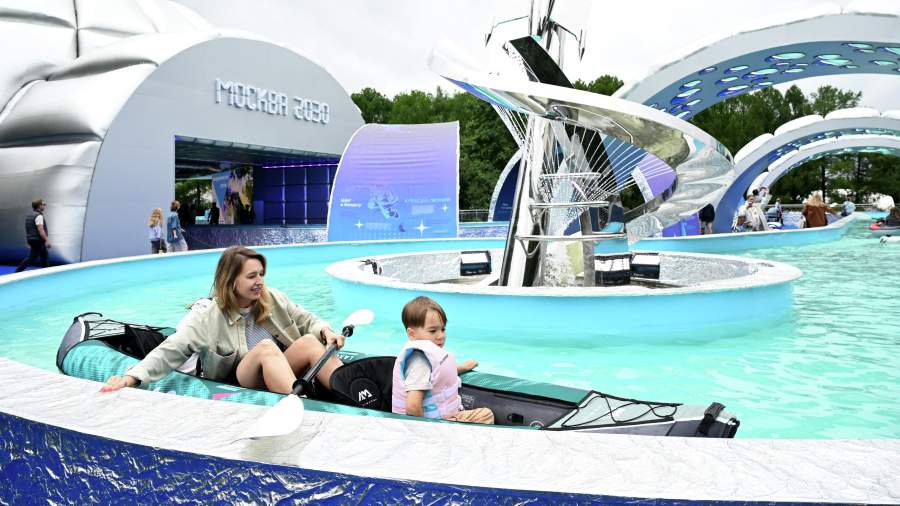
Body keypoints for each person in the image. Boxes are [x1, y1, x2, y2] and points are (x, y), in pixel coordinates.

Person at [101, 246, 346, 394]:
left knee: (310, 341)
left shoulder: (272, 298)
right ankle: (302, 404)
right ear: (231, 281)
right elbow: (173, 348)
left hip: (279, 368)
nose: (259, 281)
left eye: (261, 274)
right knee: (266, 348)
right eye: (251, 276)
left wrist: (326, 331)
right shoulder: (208, 316)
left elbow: (305, 319)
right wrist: (132, 377)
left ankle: (351, 393)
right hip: (242, 378)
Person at [391, 296, 494, 424]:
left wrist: (463, 367)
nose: (441, 336)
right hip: (434, 425)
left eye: (443, 329)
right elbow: (412, 407)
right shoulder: (419, 363)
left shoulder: (425, 359)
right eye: (433, 331)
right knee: (485, 415)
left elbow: (437, 374)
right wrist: (429, 431)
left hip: (441, 417)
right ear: (412, 334)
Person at [15, 198, 51, 272]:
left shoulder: (29, 216)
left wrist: (29, 241)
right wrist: (47, 240)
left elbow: (29, 230)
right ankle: (18, 271)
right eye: (43, 204)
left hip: (33, 240)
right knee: (32, 257)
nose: (45, 205)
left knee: (44, 256)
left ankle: (46, 272)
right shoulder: (39, 216)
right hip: (38, 240)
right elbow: (41, 230)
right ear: (39, 206)